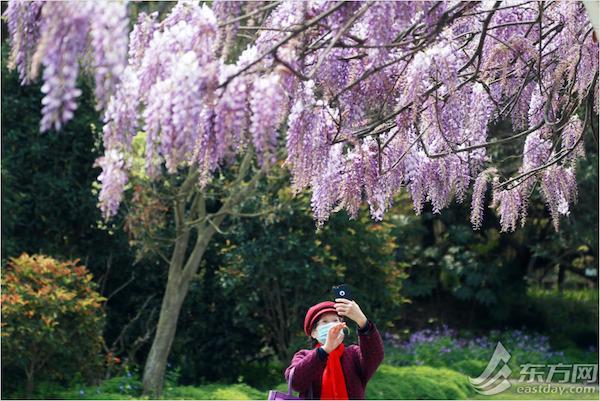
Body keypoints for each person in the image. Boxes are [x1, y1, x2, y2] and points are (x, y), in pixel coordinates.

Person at [285, 298, 384, 399]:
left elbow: (375, 356)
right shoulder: (303, 356)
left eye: (335, 321)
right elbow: (295, 383)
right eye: (325, 322)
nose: (331, 326)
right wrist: (325, 350)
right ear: (314, 333)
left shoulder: (353, 354)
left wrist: (363, 321)